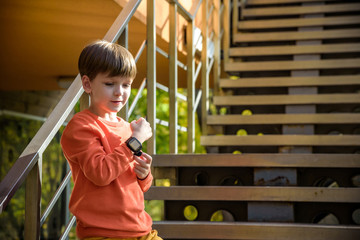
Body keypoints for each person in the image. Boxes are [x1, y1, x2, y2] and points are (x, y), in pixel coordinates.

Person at [60, 40, 162, 240]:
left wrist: (144, 174)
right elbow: (101, 173)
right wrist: (135, 141)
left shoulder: (127, 128)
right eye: (110, 84)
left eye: (126, 85)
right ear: (88, 84)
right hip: (103, 233)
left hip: (140, 230)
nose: (119, 92)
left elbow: (137, 185)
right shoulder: (82, 126)